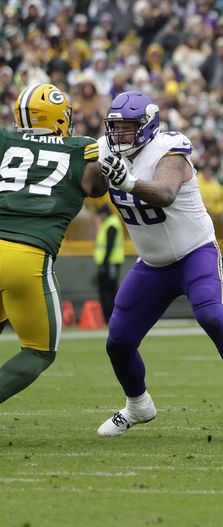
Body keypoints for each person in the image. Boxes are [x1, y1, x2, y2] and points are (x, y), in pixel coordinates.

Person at [95, 90, 223, 436]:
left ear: (147, 127)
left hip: (195, 252)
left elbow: (166, 193)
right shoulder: (104, 149)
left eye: (128, 128)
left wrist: (128, 181)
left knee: (211, 315)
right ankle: (137, 405)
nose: (119, 135)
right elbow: (90, 185)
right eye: (115, 128)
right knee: (118, 341)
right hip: (152, 263)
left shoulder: (169, 150)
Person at [0, 83, 107, 404]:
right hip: (27, 255)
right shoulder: (82, 148)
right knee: (38, 351)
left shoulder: (5, 139)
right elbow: (97, 187)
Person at [94, 203, 124, 323]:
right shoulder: (108, 223)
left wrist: (104, 263)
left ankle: (110, 317)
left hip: (110, 262)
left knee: (108, 291)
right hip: (108, 262)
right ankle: (110, 317)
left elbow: (110, 245)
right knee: (108, 290)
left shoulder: (111, 224)